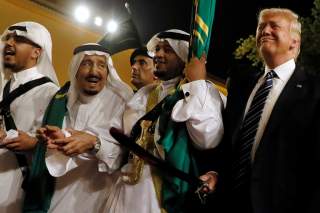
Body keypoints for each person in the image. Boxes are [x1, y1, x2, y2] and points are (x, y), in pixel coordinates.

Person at [205, 8, 320, 213]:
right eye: (261, 27)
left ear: (295, 42)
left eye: (274, 26)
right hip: (227, 202)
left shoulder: (315, 92)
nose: (264, 30)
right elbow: (228, 142)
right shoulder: (241, 85)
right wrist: (216, 172)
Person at [107, 29, 224, 213]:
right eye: (158, 49)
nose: (158, 54)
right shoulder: (144, 94)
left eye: (168, 50)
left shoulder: (205, 92)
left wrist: (196, 84)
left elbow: (207, 138)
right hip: (127, 189)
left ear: (184, 55)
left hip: (163, 194)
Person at [23, 43, 133, 213]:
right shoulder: (60, 100)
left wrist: (94, 144)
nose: (94, 71)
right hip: (55, 193)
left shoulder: (121, 102)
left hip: (96, 195)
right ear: (76, 68)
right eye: (87, 63)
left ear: (108, 71)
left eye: (101, 65)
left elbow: (125, 156)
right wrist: (52, 138)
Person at [0, 21, 59, 213]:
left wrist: (34, 143)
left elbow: (55, 145)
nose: (9, 43)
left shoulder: (50, 93)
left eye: (19, 39)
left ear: (36, 52)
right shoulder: (3, 86)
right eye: (8, 38)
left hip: (15, 188)